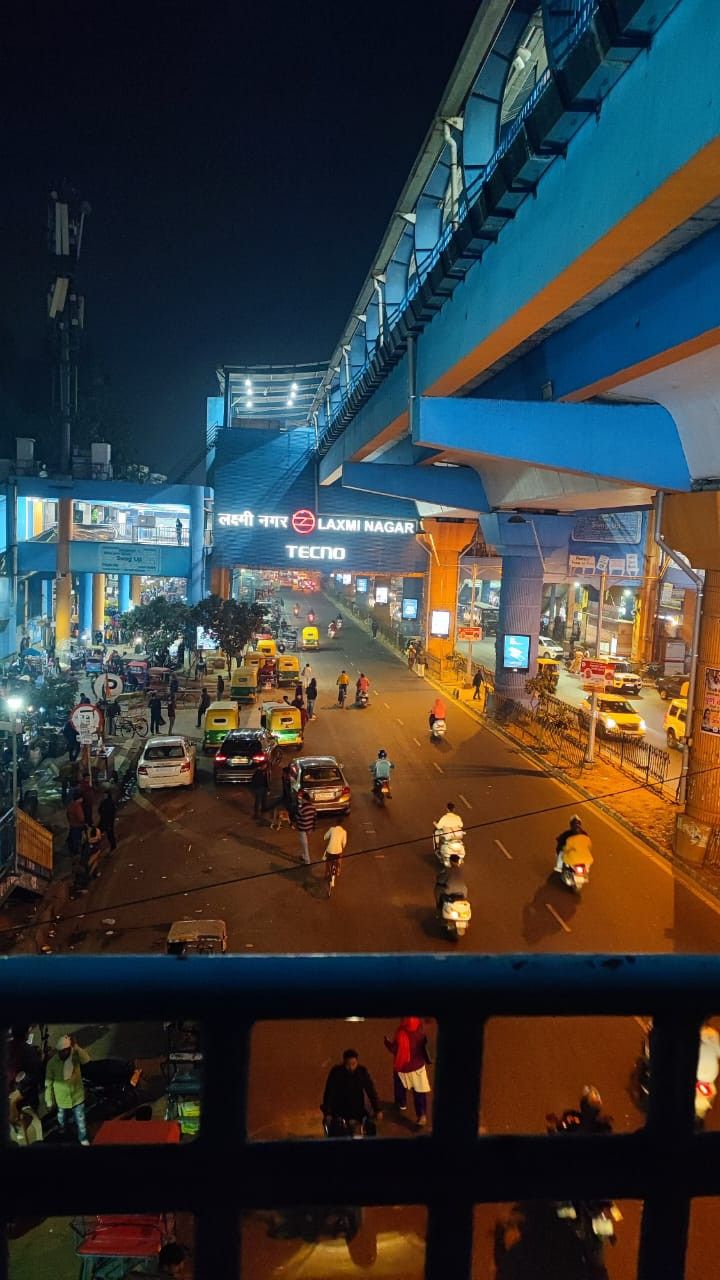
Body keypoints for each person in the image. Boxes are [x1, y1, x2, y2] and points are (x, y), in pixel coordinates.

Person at [384, 1017, 432, 1127]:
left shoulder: (401, 1033)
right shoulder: (420, 1027)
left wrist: (386, 1042)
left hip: (403, 1067)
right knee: (419, 1092)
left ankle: (401, 1104)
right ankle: (421, 1115)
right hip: (418, 1066)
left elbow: (394, 1049)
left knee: (400, 1087)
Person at [44, 1034, 91, 1145]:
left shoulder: (75, 1056)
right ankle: (65, 1137)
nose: (64, 1053)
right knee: (62, 1122)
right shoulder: (52, 1063)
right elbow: (48, 1083)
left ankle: (83, 1139)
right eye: (62, 1051)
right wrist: (49, 1101)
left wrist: (76, 1047)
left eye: (66, 1050)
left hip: (77, 1098)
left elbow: (87, 1060)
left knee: (81, 1123)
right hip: (62, 1101)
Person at [322, 1049, 382, 1134]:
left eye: (353, 1064)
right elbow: (329, 1093)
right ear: (344, 1063)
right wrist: (328, 1113)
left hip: (357, 1111)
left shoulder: (362, 1072)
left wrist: (377, 1109)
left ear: (357, 1062)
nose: (351, 1067)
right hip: (340, 1111)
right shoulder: (336, 1073)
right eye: (348, 1065)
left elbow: (371, 1090)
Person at [295, 790, 316, 865]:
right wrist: (312, 828)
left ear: (304, 799)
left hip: (302, 828)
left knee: (304, 843)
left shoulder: (302, 808)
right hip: (309, 828)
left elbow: (297, 817)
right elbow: (314, 818)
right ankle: (304, 856)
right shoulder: (313, 807)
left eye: (302, 799)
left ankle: (307, 859)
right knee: (305, 842)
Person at [66, 791, 86, 857]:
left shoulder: (70, 804)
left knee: (72, 837)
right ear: (79, 798)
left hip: (72, 824)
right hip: (78, 825)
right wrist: (84, 822)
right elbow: (81, 818)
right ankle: (76, 852)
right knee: (77, 839)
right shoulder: (78, 806)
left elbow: (67, 815)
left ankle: (72, 850)